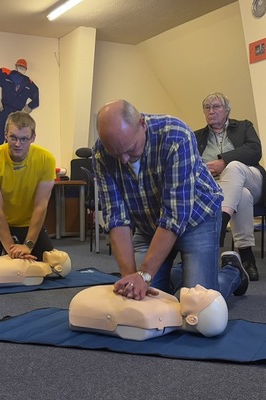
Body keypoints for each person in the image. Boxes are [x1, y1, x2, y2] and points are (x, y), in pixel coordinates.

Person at [93, 99, 248, 302]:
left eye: (130, 149)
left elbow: (174, 216)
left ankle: (233, 272)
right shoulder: (100, 153)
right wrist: (132, 280)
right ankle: (183, 270)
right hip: (149, 225)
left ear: (142, 124)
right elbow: (116, 218)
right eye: (115, 154)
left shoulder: (175, 135)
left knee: (197, 306)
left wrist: (145, 274)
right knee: (141, 302)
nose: (123, 160)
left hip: (197, 219)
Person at [194, 92, 266, 281]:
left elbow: (255, 151)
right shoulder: (196, 136)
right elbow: (190, 164)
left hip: (251, 178)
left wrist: (224, 161)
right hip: (217, 186)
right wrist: (204, 171)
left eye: (216, 107)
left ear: (227, 110)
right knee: (241, 195)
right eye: (207, 108)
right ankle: (247, 258)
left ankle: (221, 222)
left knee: (234, 167)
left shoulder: (244, 126)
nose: (211, 111)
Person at [0, 111, 55, 262]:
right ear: (6, 135)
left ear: (33, 138)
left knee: (52, 265)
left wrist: (28, 245)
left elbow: (41, 206)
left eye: (24, 139)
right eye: (13, 137)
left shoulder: (46, 159)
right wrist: (12, 250)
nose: (18, 144)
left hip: (28, 221)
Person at [69, 284, 228, 341]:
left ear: (192, 319)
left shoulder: (149, 318)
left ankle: (232, 271)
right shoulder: (171, 300)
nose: (199, 286)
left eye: (202, 295)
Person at [0, 59, 40, 153]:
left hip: (17, 115)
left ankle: (12, 160)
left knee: (15, 140)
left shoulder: (29, 83)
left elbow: (36, 101)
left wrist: (24, 112)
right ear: (16, 66)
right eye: (20, 66)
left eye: (23, 68)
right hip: (3, 110)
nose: (21, 69)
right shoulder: (5, 73)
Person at [0, 249, 72, 287]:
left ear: (58, 268)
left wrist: (28, 246)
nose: (55, 250)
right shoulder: (37, 266)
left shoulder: (37, 268)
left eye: (59, 254)